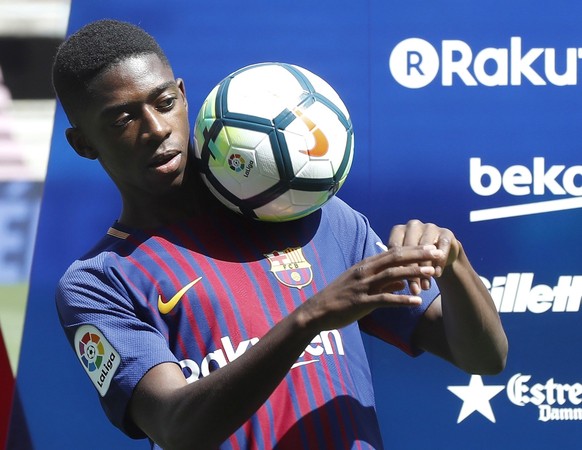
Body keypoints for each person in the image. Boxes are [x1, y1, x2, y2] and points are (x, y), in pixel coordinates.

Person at [53, 19, 507, 450]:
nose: (155, 129)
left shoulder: (312, 215)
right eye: (122, 120)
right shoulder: (98, 283)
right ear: (83, 144)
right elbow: (177, 428)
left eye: (164, 103)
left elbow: (485, 358)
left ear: (184, 96)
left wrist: (454, 264)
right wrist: (308, 319)